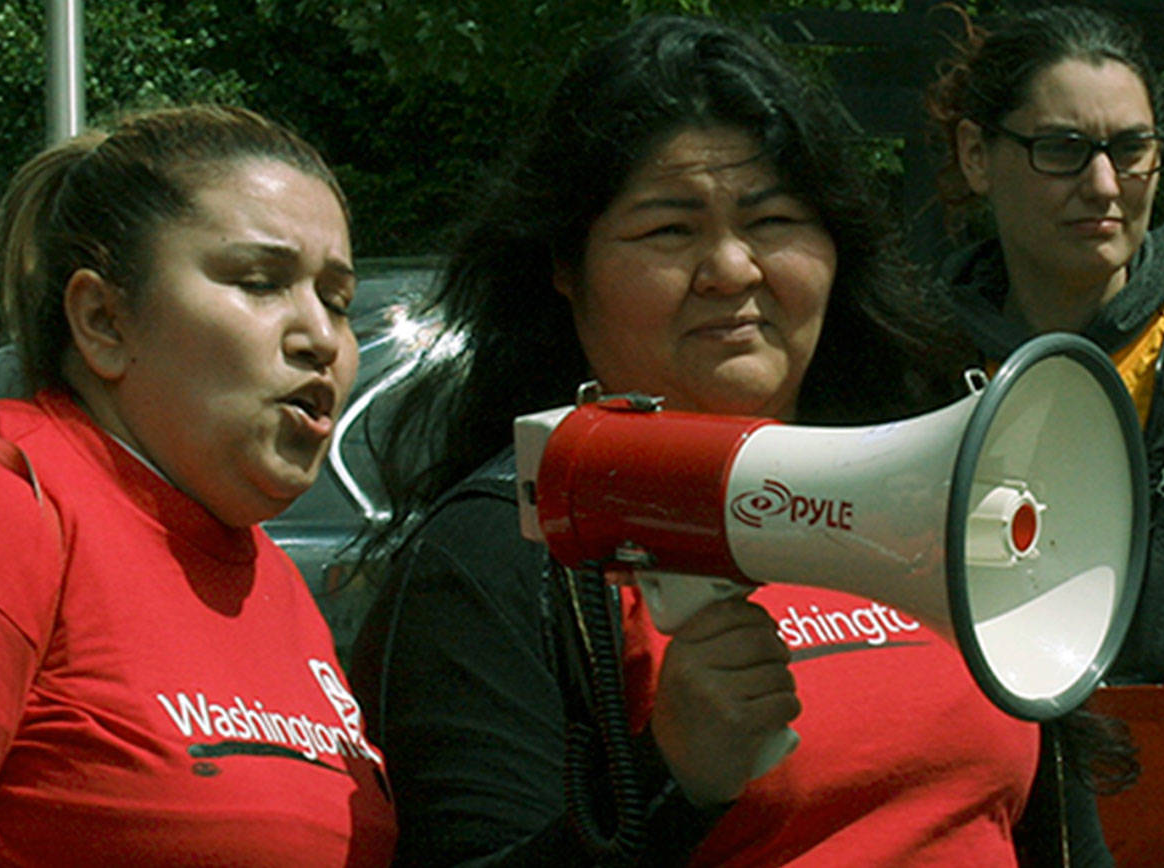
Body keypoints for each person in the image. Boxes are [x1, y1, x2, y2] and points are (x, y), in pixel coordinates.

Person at [351, 15, 1112, 866]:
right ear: (565, 266)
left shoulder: (926, 488)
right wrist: (670, 776)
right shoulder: (499, 554)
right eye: (669, 231)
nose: (734, 269)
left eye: (775, 219)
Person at [0, 105, 396, 864]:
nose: (322, 337)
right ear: (103, 320)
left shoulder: (276, 583)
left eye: (335, 298)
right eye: (261, 282)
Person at [926, 4, 1164, 684]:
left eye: (1132, 149)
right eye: (1061, 150)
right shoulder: (910, 370)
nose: (1105, 186)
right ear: (976, 155)